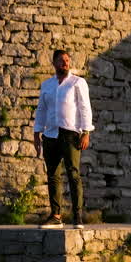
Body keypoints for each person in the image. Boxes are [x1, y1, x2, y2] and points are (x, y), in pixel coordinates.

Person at [32, 49, 93, 228]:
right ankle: (56, 216)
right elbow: (42, 109)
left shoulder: (77, 82)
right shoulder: (47, 85)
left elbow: (84, 107)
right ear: (54, 63)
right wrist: (37, 133)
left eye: (67, 60)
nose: (65, 63)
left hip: (71, 134)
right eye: (61, 60)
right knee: (53, 176)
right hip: (50, 135)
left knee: (73, 175)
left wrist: (86, 132)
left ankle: (77, 216)